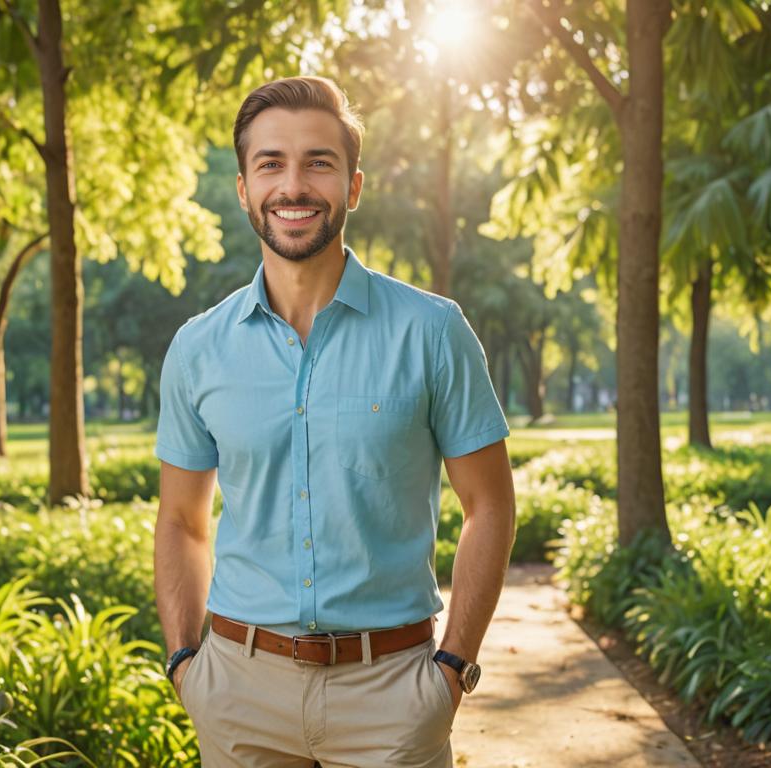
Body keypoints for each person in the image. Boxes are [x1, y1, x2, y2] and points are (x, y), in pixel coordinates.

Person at [153, 75, 516, 768]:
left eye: (318, 162)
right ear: (244, 190)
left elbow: (490, 505)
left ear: (352, 186)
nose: (294, 186)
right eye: (271, 164)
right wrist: (184, 665)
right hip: (238, 692)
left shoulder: (432, 331)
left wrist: (452, 672)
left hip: (394, 695)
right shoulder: (198, 347)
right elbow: (180, 521)